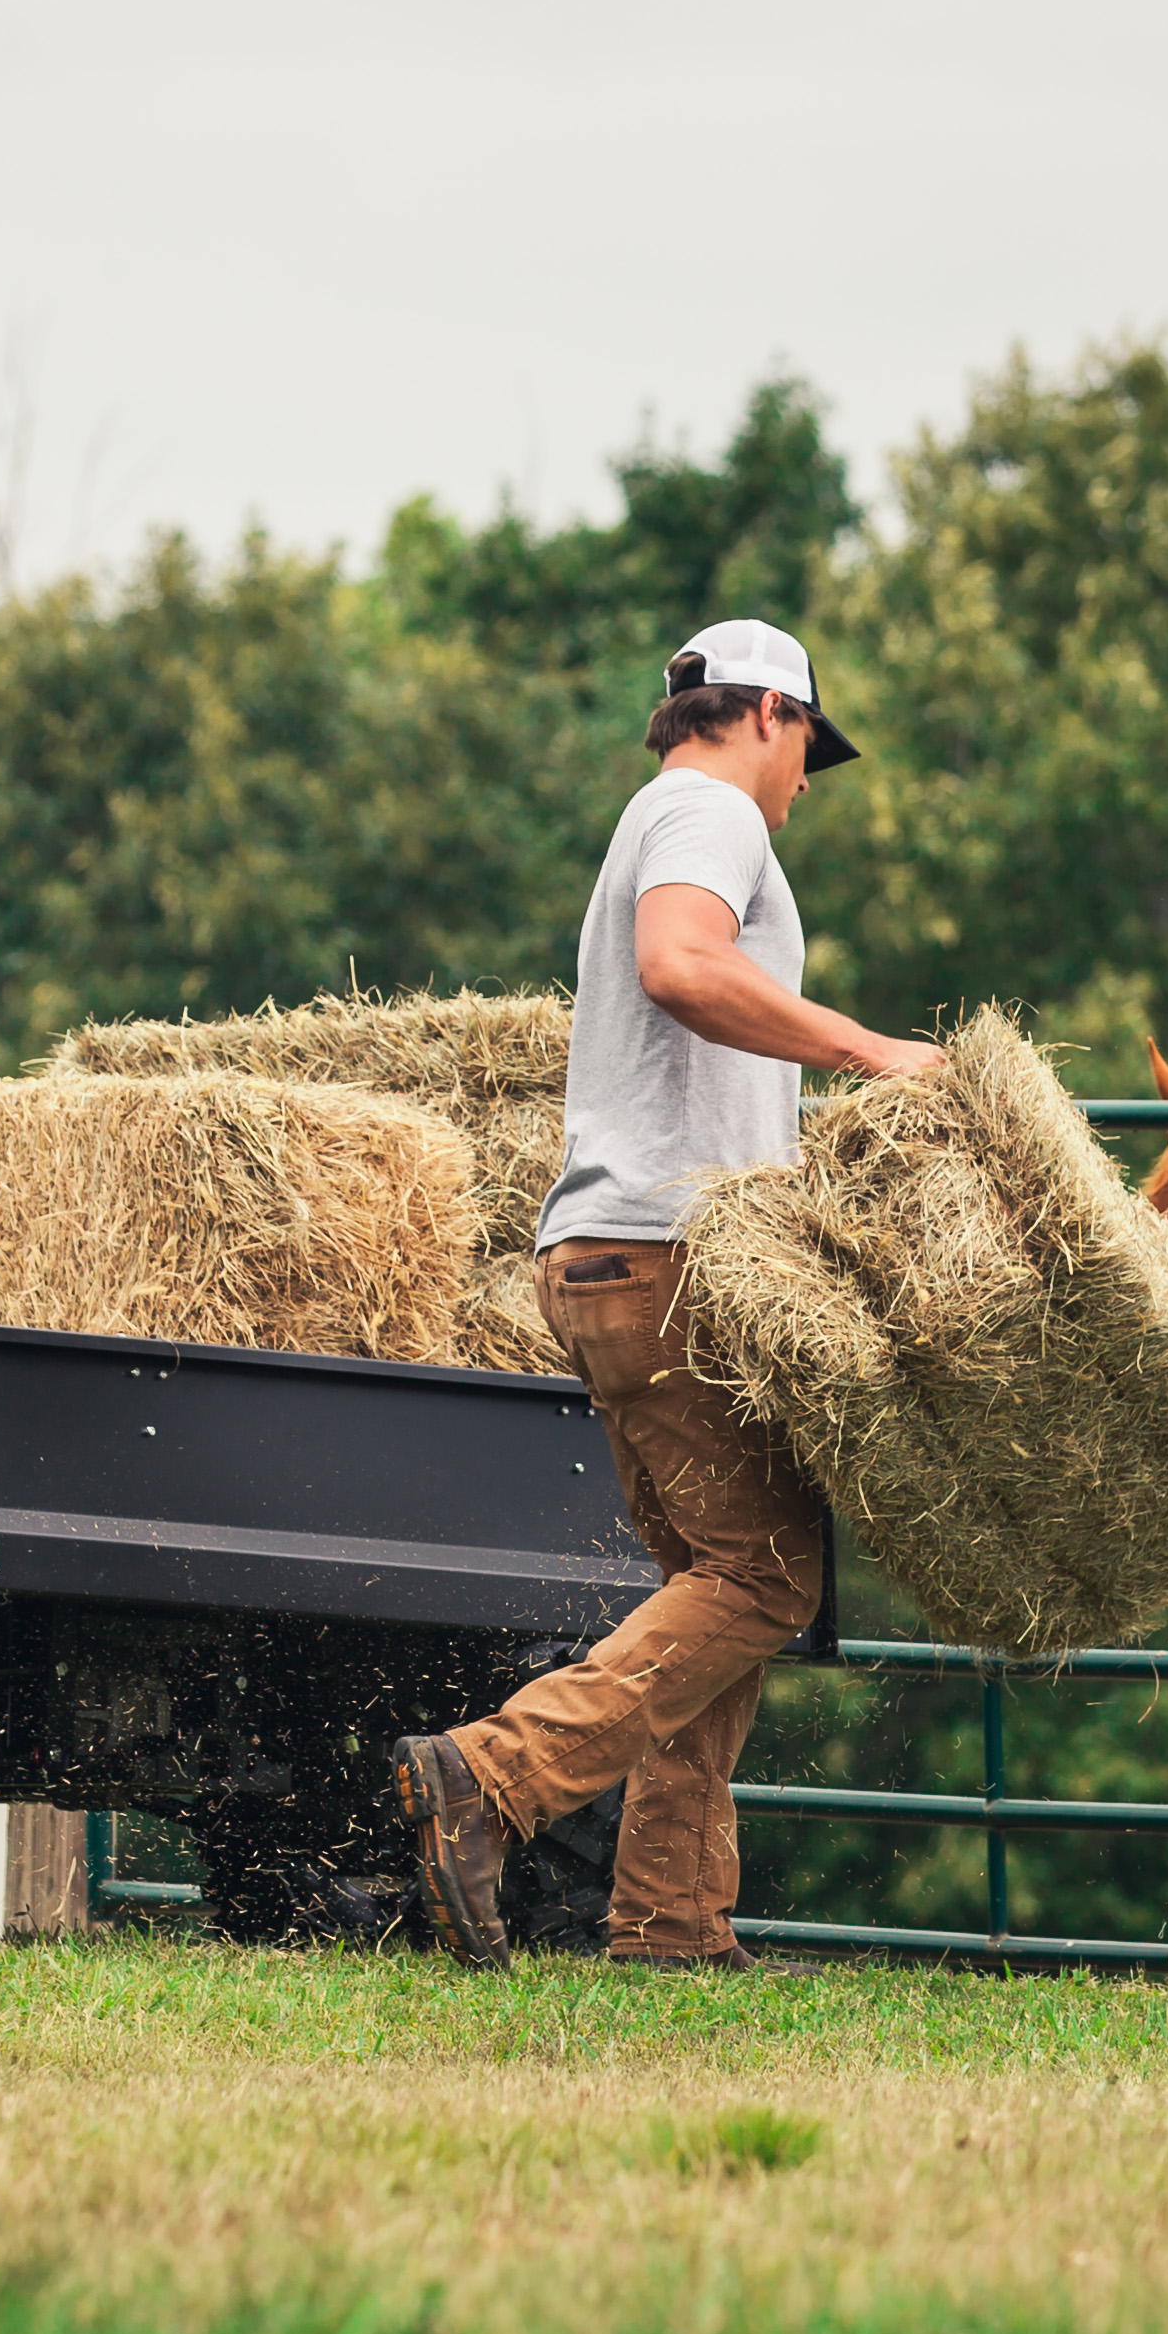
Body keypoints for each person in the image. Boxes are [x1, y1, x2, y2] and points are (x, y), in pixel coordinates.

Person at [394, 619, 938, 1969]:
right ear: (766, 713)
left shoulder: (658, 809)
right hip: (670, 1258)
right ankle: (493, 1776)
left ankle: (672, 1927)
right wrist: (872, 1053)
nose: (807, 777)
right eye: (811, 742)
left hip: (605, 1258)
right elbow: (682, 966)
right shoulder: (709, 813)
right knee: (763, 1580)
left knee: (707, 1596)